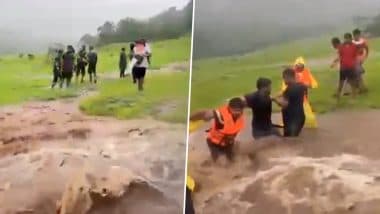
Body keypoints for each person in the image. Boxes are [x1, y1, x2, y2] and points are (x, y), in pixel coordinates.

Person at [190, 98, 245, 162]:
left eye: (239, 110)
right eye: (235, 110)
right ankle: (207, 163)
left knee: (232, 161)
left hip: (228, 143)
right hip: (214, 143)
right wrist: (191, 118)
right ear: (230, 108)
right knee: (220, 162)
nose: (237, 112)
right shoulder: (220, 114)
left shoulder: (240, 117)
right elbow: (205, 112)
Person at [281, 57, 318, 128]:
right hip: (292, 99)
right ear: (295, 65)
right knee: (290, 114)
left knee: (310, 119)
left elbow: (314, 84)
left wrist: (308, 85)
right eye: (298, 66)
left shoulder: (306, 72)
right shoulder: (291, 73)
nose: (300, 68)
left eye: (302, 66)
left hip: (303, 99)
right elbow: (284, 87)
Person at [273, 68, 306, 137]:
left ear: (288, 77)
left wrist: (274, 99)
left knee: (289, 140)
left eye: (284, 78)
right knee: (293, 138)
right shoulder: (301, 86)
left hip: (292, 120)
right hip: (300, 117)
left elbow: (284, 104)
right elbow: (284, 93)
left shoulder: (290, 89)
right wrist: (276, 95)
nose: (284, 80)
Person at [333, 33, 360, 100]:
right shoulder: (341, 46)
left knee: (352, 82)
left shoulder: (354, 46)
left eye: (348, 38)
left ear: (351, 39)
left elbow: (356, 56)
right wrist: (335, 62)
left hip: (351, 67)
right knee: (341, 82)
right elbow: (340, 56)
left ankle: (354, 96)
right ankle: (338, 95)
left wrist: (356, 64)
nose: (346, 40)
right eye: (345, 38)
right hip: (343, 67)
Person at [352, 29, 369, 93]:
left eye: (358, 35)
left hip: (359, 58)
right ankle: (362, 87)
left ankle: (360, 87)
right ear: (354, 35)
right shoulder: (352, 42)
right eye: (356, 35)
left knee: (357, 73)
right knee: (357, 73)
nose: (357, 36)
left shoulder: (362, 41)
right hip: (354, 59)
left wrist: (366, 56)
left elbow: (366, 48)